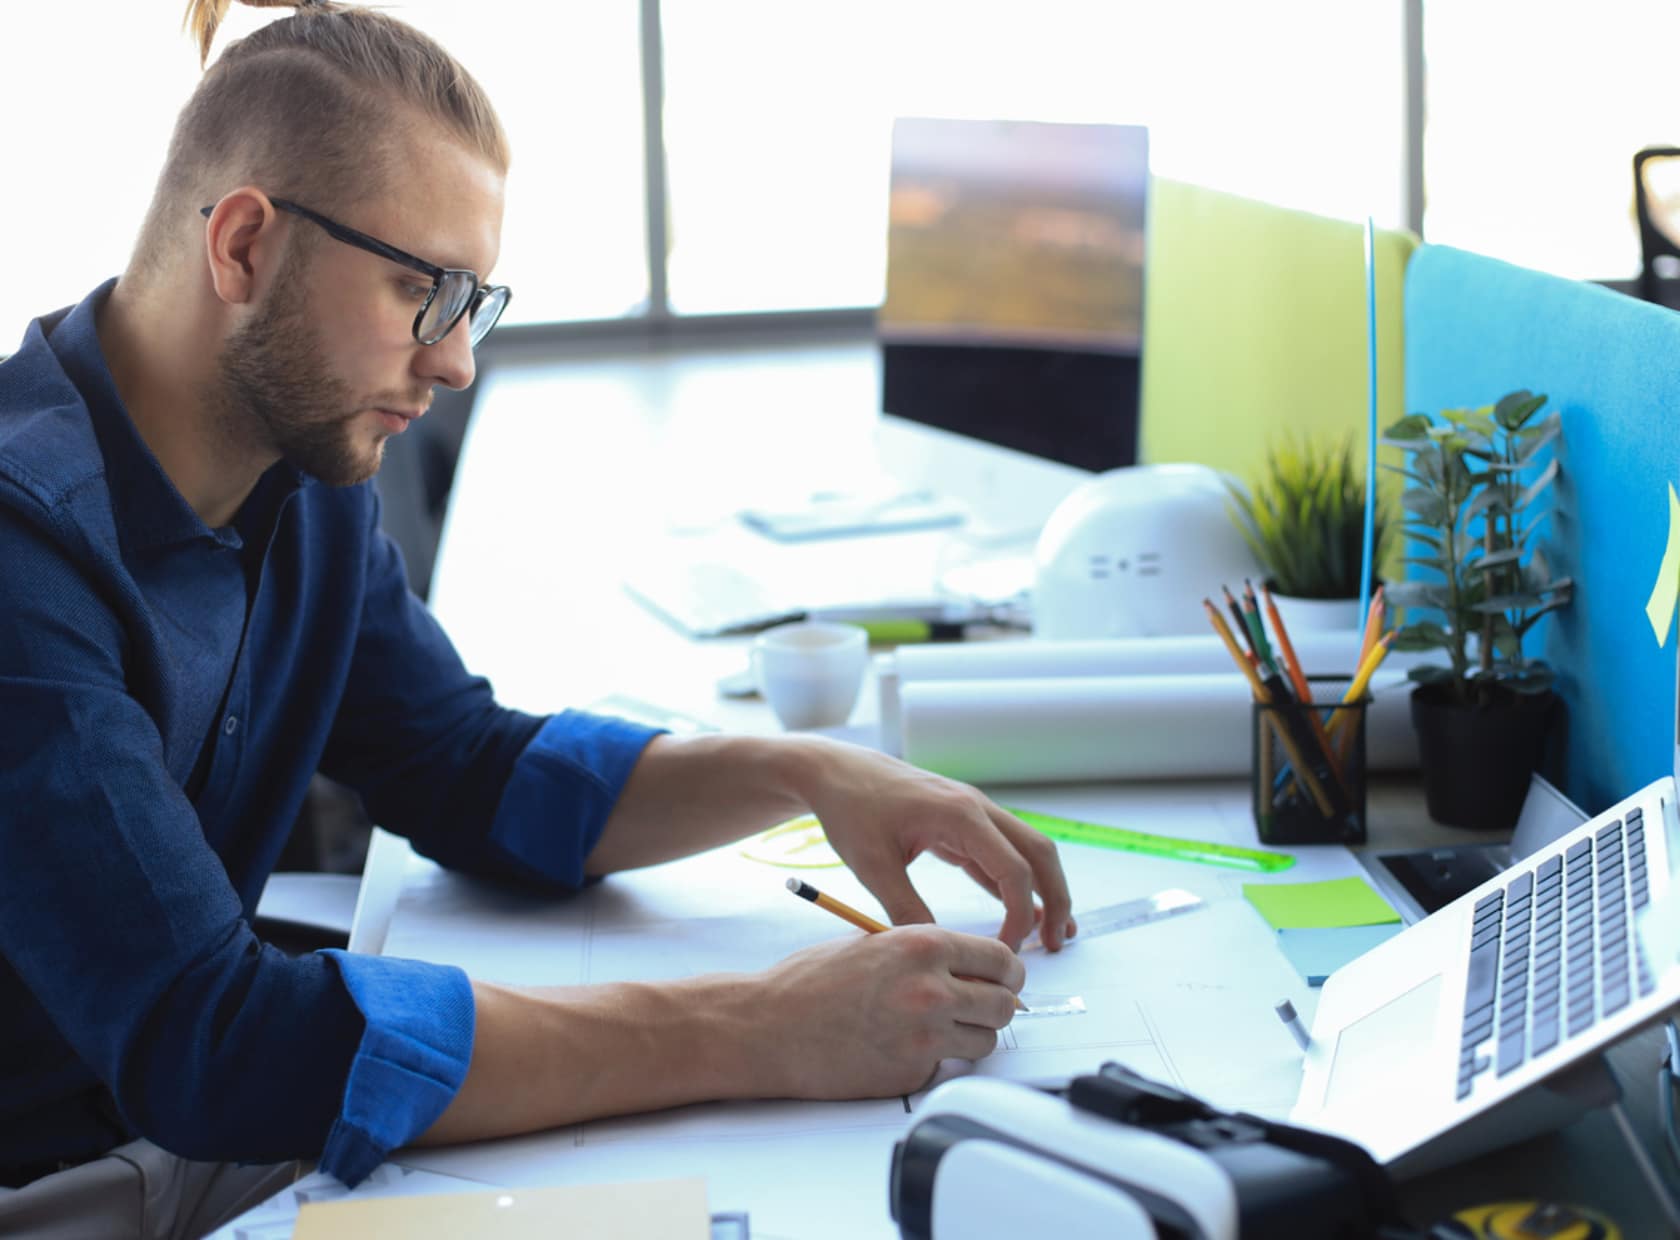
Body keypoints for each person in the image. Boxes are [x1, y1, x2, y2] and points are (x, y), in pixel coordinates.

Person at [0, 2, 1074, 1234]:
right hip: (67, 1184)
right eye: (423, 290)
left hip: (191, 1132)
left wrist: (811, 771)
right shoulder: (21, 553)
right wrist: (761, 1024)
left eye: (475, 302)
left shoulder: (303, 482)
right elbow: (216, 1040)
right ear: (242, 247)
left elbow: (465, 765)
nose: (457, 362)